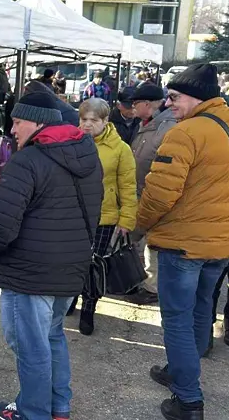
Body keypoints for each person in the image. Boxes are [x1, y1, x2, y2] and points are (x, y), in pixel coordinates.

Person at [0, 90, 103, 420]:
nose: (12, 129)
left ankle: (34, 413)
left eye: (17, 122)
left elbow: (1, 223)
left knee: (31, 347)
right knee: (52, 336)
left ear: (37, 121)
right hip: (70, 267)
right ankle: (58, 407)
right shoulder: (87, 152)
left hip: (30, 271)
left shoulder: (28, 160)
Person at [138, 64, 229, 420]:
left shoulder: (187, 132)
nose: (168, 103)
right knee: (200, 312)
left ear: (197, 97)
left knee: (178, 320)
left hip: (183, 245)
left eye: (175, 96)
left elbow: (159, 195)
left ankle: (188, 399)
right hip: (222, 244)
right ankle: (181, 372)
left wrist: (138, 225)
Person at [68, 98, 137, 335]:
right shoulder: (70, 142)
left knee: (93, 264)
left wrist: (127, 220)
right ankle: (70, 299)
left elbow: (128, 187)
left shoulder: (120, 149)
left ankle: (88, 306)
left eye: (93, 120)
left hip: (103, 217)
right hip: (72, 214)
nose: (87, 125)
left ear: (106, 121)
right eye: (83, 119)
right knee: (71, 261)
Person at [127, 84, 178, 305]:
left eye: (135, 103)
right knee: (142, 241)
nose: (132, 107)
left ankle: (152, 287)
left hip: (154, 195)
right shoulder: (147, 124)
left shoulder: (167, 128)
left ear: (147, 104)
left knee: (153, 242)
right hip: (141, 192)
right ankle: (143, 281)